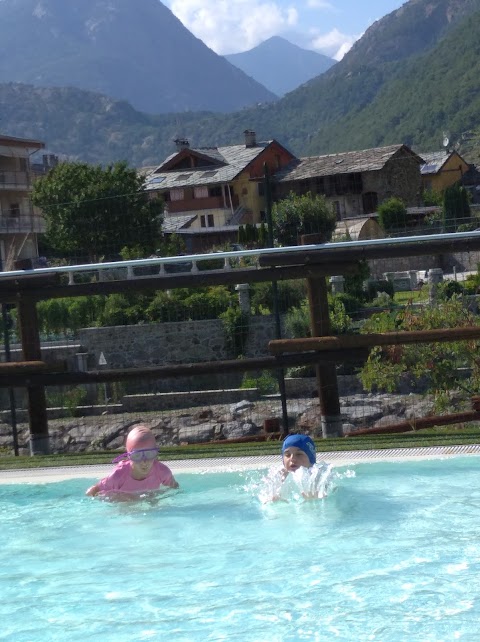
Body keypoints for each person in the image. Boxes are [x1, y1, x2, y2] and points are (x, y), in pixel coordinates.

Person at [86, 424, 178, 499]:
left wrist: (159, 496)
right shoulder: (118, 476)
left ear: (155, 454)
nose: (144, 461)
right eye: (137, 456)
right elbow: (93, 491)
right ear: (129, 456)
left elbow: (175, 489)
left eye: (149, 454)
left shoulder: (162, 472)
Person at [260, 433, 330, 503]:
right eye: (287, 455)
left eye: (299, 454)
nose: (292, 458)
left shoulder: (322, 478)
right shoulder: (277, 479)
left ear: (311, 459)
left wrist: (314, 502)